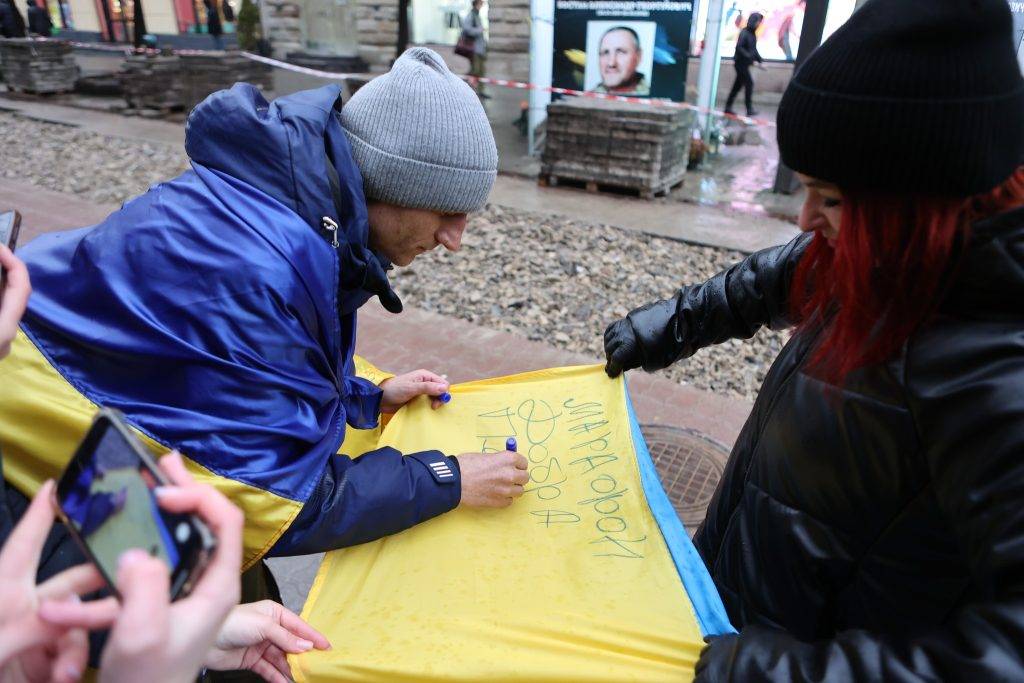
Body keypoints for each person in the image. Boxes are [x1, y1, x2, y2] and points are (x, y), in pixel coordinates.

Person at [604, 0, 1024, 679]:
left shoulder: (996, 368)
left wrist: (779, 671)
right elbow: (776, 275)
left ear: (918, 207)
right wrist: (665, 327)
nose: (804, 219)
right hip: (735, 596)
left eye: (828, 198)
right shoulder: (889, 254)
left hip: (787, 649)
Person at [0, 47, 523, 592]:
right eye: (447, 213)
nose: (454, 240)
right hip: (33, 464)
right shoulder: (256, 269)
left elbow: (229, 377)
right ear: (393, 184)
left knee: (235, 609)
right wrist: (447, 478)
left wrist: (363, 396)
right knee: (208, 622)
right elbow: (270, 498)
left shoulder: (290, 214)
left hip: (82, 447)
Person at [723, 12, 765, 116]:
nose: (759, 24)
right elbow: (739, 47)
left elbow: (754, 50)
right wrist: (749, 56)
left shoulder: (752, 34)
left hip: (745, 64)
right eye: (758, 21)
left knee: (737, 86)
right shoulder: (744, 32)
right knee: (749, 84)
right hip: (740, 64)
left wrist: (760, 61)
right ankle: (749, 109)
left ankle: (728, 107)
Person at [592, 26, 649, 96]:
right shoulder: (587, 96)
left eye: (621, 52)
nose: (611, 63)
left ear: (639, 56)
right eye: (605, 52)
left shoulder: (655, 96)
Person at [461, 0, 488, 98]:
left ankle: (480, 91)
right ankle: (465, 87)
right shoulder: (471, 15)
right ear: (477, 4)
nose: (482, 6)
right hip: (475, 48)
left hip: (480, 48)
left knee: (480, 71)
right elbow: (466, 29)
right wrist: (479, 30)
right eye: (481, 4)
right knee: (475, 70)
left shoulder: (477, 15)